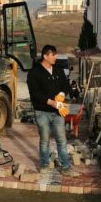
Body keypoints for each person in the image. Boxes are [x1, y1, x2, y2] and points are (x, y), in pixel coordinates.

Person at [26, 44, 76, 176]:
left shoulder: (58, 70)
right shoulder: (34, 73)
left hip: (57, 112)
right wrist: (52, 102)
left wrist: (62, 94)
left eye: (55, 54)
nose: (55, 57)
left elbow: (66, 85)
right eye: (53, 55)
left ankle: (66, 167)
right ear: (45, 56)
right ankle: (44, 165)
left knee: (62, 140)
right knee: (45, 140)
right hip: (42, 112)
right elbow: (35, 93)